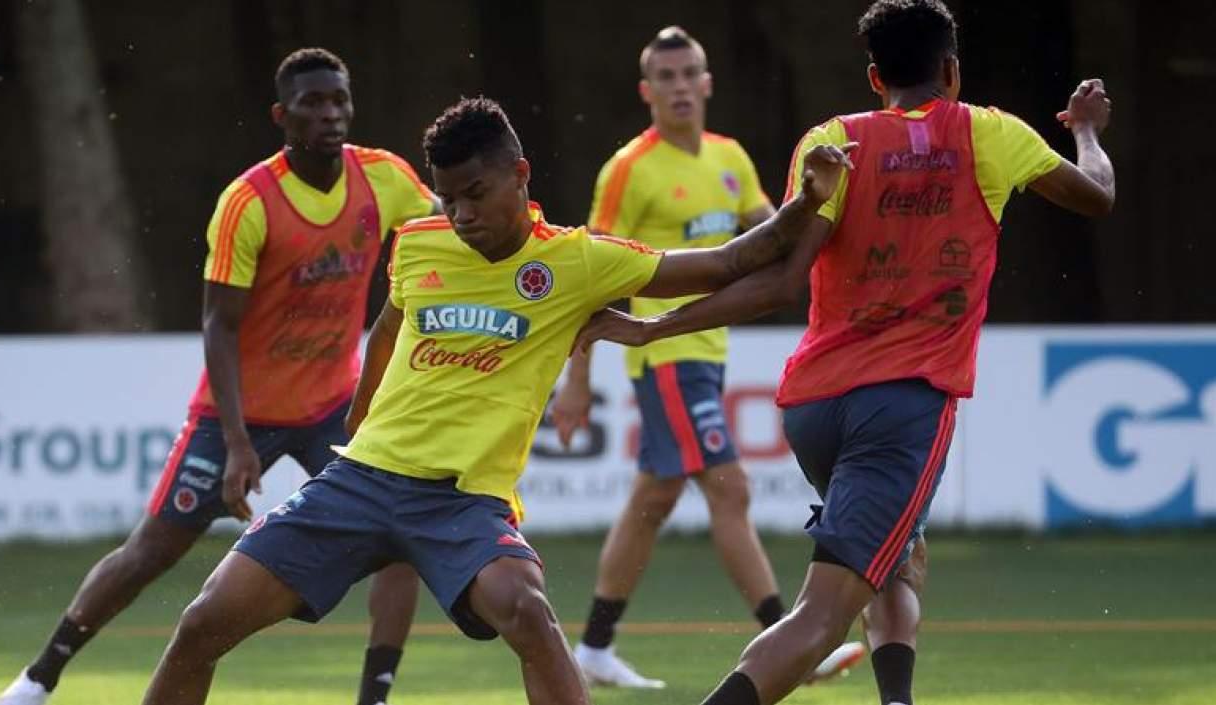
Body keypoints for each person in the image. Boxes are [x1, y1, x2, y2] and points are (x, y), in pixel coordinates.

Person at [134, 95, 853, 705]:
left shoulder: (578, 260)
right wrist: (358, 418)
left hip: (463, 502)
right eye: (448, 198)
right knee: (203, 621)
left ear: (520, 175)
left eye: (475, 194)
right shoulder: (418, 244)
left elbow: (731, 262)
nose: (460, 214)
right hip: (360, 481)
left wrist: (807, 203)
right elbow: (387, 325)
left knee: (527, 611)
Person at [574, 2, 1115, 704]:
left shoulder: (833, 142)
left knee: (899, 559)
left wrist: (656, 325)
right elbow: (1098, 196)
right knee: (821, 615)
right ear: (951, 70)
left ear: (874, 77)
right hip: (904, 405)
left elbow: (780, 280)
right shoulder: (991, 132)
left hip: (815, 406)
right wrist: (1087, 131)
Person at [0, 48, 437, 705]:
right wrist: (236, 442)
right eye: (313, 103)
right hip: (240, 413)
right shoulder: (248, 201)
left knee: (397, 537)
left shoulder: (384, 178)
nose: (330, 114)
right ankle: (39, 678)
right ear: (282, 116)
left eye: (339, 100)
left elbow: (452, 232)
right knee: (151, 551)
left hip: (333, 408)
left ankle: (374, 696)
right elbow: (218, 326)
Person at [551, 25, 863, 689]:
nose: (680, 87)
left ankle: (595, 647)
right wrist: (577, 378)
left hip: (706, 351)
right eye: (665, 78)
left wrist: (820, 194)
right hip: (663, 355)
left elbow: (777, 230)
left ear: (707, 82)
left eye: (689, 73)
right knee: (730, 487)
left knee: (654, 497)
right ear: (646, 91)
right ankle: (791, 642)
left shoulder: (730, 157)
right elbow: (589, 274)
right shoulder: (629, 169)